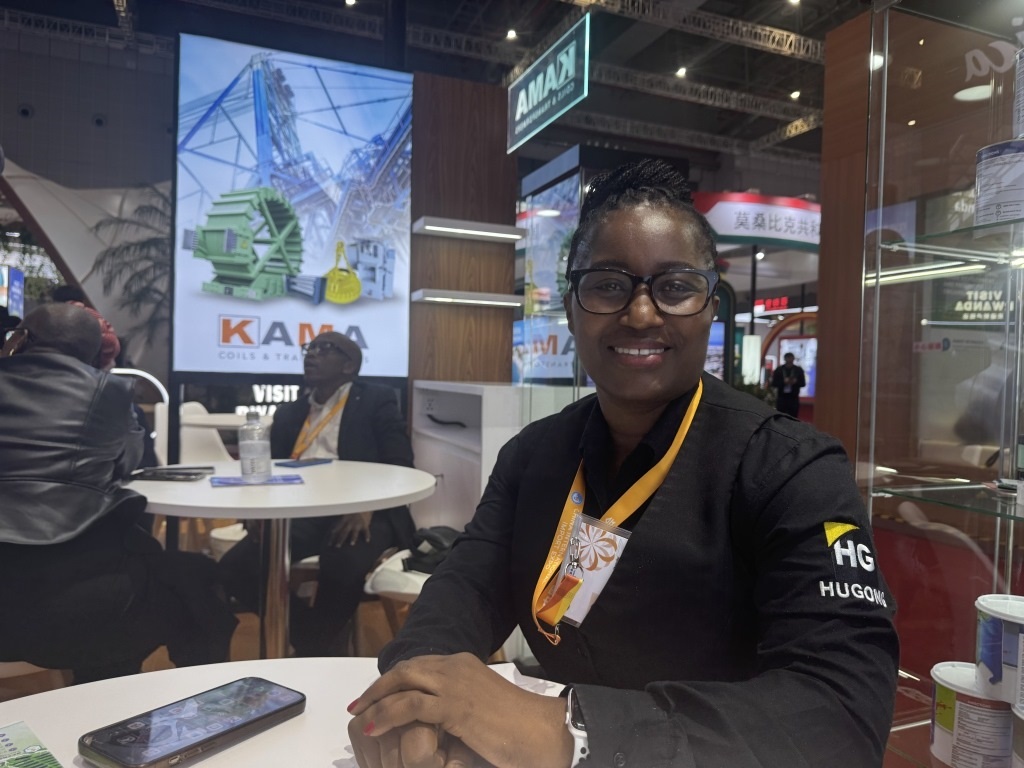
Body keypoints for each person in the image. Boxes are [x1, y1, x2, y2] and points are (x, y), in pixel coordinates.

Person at [347, 160, 898, 768]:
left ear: (710, 307)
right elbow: (466, 588)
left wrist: (570, 733)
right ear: (571, 308)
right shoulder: (533, 456)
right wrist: (416, 694)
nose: (640, 314)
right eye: (608, 285)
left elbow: (843, 712)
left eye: (676, 287)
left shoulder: (792, 470)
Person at [0, 304, 238, 683]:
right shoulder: (108, 392)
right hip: (67, 607)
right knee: (196, 584)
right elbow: (129, 460)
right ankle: (184, 701)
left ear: (21, 339)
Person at [218, 331, 416, 656]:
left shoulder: (375, 401)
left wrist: (365, 507)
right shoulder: (290, 413)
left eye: (325, 349)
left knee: (343, 562)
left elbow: (400, 464)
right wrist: (256, 511)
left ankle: (316, 647)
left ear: (349, 365)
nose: (312, 354)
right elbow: (271, 469)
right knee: (235, 567)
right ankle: (315, 642)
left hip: (364, 512)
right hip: (302, 512)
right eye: (310, 348)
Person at [770, 352, 806, 418]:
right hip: (782, 398)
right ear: (785, 359)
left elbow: (803, 383)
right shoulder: (779, 370)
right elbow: (774, 383)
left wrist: (795, 382)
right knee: (780, 417)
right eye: (788, 358)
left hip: (793, 398)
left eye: (790, 358)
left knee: (793, 417)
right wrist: (783, 382)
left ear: (793, 359)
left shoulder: (798, 370)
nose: (789, 360)